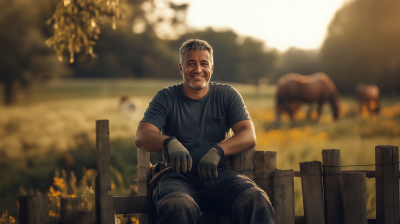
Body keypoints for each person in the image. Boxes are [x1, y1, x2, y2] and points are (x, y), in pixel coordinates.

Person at [135, 39, 276, 224]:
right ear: (181, 68)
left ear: (212, 67)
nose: (198, 69)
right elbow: (142, 136)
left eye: (204, 64)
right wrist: (169, 142)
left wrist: (218, 150)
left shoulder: (227, 95)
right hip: (177, 178)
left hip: (219, 176)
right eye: (190, 63)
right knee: (177, 205)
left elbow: (249, 134)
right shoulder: (166, 97)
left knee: (256, 198)